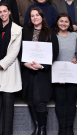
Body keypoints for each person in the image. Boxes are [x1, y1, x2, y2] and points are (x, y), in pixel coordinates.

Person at [20, 7, 59, 135]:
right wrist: (24, 63)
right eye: (32, 16)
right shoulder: (25, 30)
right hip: (28, 70)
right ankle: (36, 126)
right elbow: (19, 49)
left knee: (40, 100)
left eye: (37, 15)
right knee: (30, 99)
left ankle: (42, 129)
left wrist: (42, 66)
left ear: (42, 16)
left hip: (42, 72)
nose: (35, 17)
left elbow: (55, 52)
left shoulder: (50, 32)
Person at [0, 3, 22, 135]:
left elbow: (15, 51)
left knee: (8, 103)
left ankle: (7, 132)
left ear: (9, 12)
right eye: (0, 12)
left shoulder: (18, 29)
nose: (2, 14)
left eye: (4, 11)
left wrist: (2, 63)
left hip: (9, 68)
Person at [53, 13, 77, 135]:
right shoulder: (53, 35)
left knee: (71, 101)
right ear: (57, 22)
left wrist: (76, 58)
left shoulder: (75, 36)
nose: (63, 23)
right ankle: (62, 128)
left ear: (70, 23)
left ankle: (70, 128)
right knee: (60, 101)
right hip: (58, 74)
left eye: (66, 21)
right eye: (61, 21)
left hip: (73, 73)